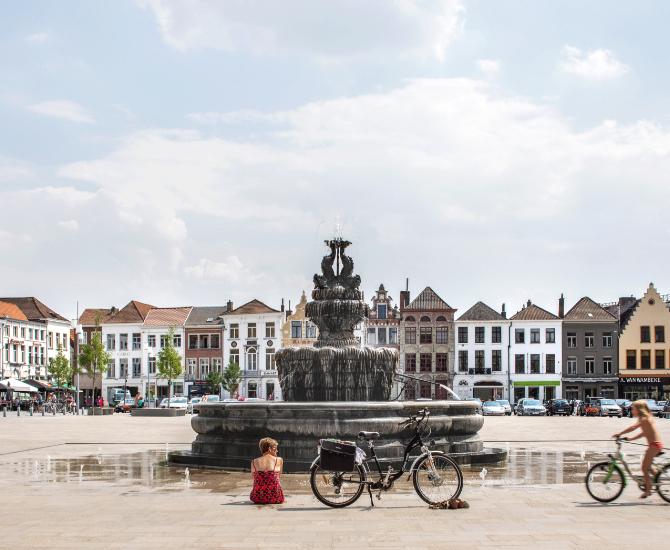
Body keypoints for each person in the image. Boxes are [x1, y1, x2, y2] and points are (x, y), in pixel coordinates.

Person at [613, 399, 664, 498]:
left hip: (654, 445)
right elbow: (644, 433)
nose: (632, 410)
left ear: (639, 410)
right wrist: (631, 439)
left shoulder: (644, 419)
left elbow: (633, 428)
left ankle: (648, 490)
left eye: (633, 409)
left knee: (644, 468)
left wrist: (620, 433)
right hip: (654, 445)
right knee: (648, 467)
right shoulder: (646, 418)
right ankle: (658, 479)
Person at [250, 437, 285, 504]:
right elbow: (278, 477)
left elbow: (254, 478)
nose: (277, 451)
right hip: (276, 497)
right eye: (275, 448)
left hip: (257, 498)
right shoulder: (279, 460)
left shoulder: (254, 462)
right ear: (269, 449)